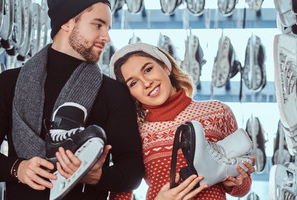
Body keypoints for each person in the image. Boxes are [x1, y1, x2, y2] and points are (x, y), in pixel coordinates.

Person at [0, 0, 144, 200]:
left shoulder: (112, 92)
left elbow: (133, 168)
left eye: (107, 28)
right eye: (98, 25)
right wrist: (18, 168)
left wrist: (97, 176)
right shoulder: (10, 82)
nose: (106, 37)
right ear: (67, 23)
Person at [109, 42, 255, 200]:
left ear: (165, 67)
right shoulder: (133, 135)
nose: (146, 83)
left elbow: (243, 188)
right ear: (130, 94)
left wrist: (235, 181)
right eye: (133, 83)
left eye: (148, 69)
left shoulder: (218, 112)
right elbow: (120, 196)